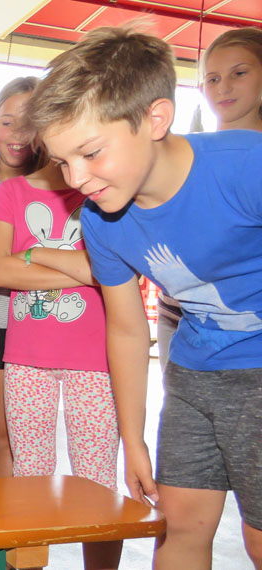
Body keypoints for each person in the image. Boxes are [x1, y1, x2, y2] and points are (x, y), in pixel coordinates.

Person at [25, 25, 262, 569]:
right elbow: (128, 329)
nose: (76, 178)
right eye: (62, 162)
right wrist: (132, 439)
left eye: (90, 153)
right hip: (194, 378)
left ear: (155, 119)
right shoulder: (101, 221)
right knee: (176, 530)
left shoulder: (247, 167)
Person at [0, 140, 122, 570]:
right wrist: (80, 267)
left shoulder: (101, 189)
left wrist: (33, 254)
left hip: (97, 360)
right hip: (25, 359)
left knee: (98, 482)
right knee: (30, 479)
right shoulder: (10, 192)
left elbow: (111, 269)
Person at [157, 26, 262, 371]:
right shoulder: (182, 153)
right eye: (213, 79)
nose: (223, 87)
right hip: (178, 318)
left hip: (247, 330)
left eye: (239, 73)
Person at [0, 77, 44, 479]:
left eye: (29, 122)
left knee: (9, 439)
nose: (17, 134)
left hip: (18, 326)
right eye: (7, 122)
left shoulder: (53, 188)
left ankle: (6, 526)